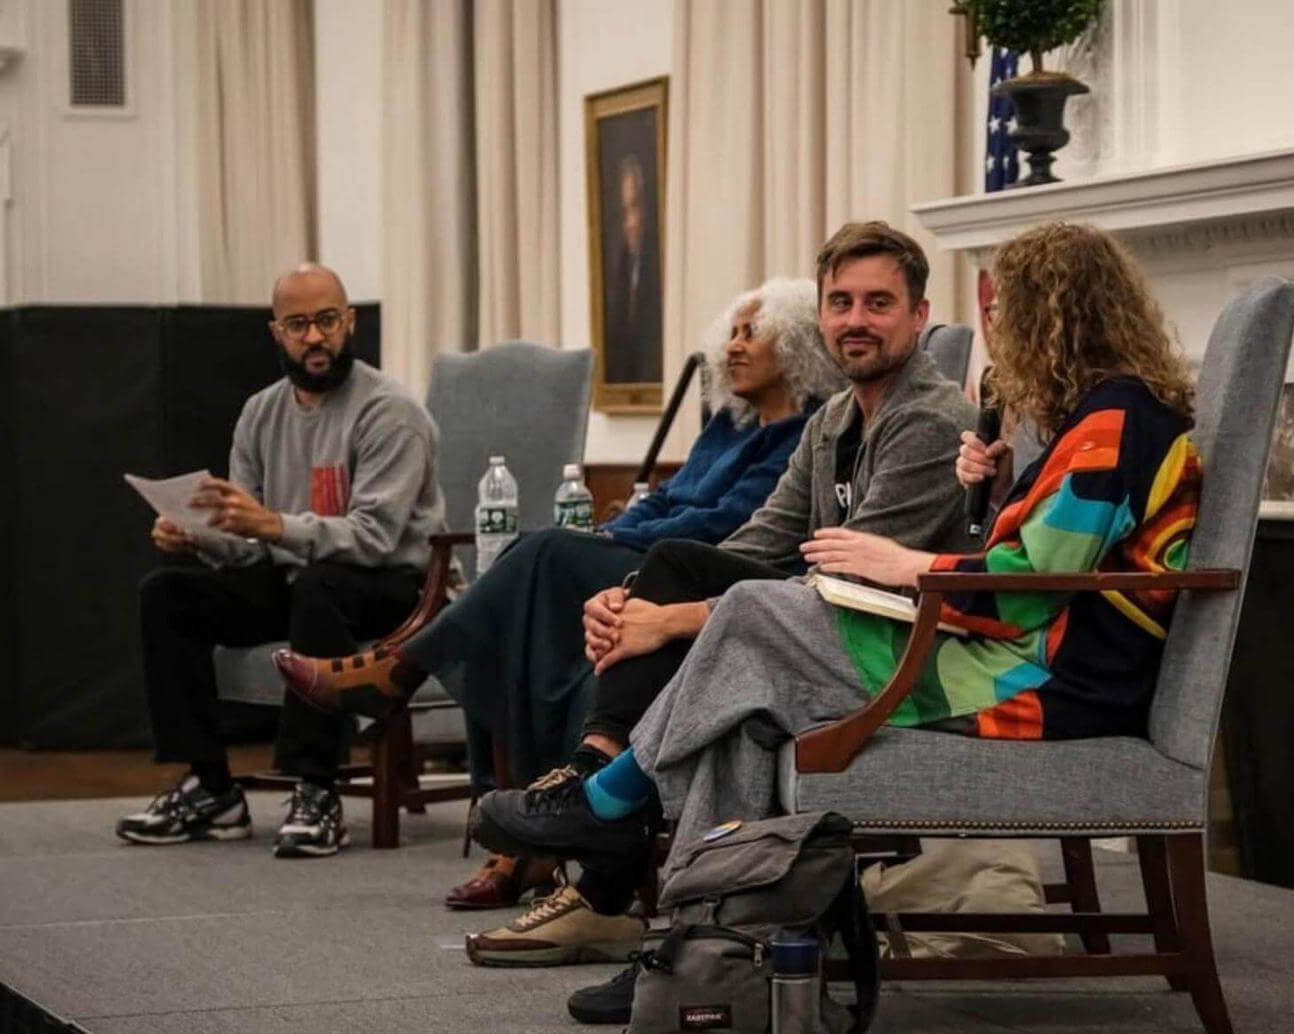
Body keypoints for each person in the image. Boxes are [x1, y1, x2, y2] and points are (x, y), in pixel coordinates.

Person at [472, 221, 1204, 1024]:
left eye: (1004, 312)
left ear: (1052, 317)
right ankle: (699, 949)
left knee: (750, 619)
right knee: (744, 707)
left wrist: (907, 565)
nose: (996, 332)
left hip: (1040, 681)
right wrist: (996, 494)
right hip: (1016, 657)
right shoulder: (1098, 420)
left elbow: (1029, 591)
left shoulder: (1111, 424)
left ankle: (612, 800)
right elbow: (1036, 562)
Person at [457, 220, 978, 975]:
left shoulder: (929, 420)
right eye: (840, 302)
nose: (856, 320)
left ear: (919, 315)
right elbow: (756, 542)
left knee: (725, 664)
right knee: (675, 564)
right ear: (822, 314)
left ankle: (617, 863)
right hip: (827, 636)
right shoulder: (833, 419)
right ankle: (629, 851)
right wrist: (632, 602)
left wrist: (671, 620)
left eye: (879, 303)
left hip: (890, 655)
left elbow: (855, 583)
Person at [272, 276, 842, 907]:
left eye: (752, 333)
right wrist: (613, 532)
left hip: (700, 573)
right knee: (537, 631)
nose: (733, 347)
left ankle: (402, 671)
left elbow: (721, 525)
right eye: (731, 333)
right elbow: (670, 501)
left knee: (541, 552)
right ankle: (523, 837)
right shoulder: (728, 426)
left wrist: (612, 536)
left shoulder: (802, 433)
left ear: (796, 344)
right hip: (646, 554)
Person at [116, 263, 446, 859]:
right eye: (298, 325)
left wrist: (270, 525)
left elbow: (375, 538)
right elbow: (248, 544)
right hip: (304, 579)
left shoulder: (390, 411)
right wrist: (199, 536)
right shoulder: (260, 413)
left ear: (349, 323)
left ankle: (315, 788)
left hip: (399, 586)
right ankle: (211, 787)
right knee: (167, 595)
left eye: (327, 320)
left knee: (321, 585)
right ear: (277, 333)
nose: (314, 337)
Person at [604, 154, 663, 384]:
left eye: (635, 207)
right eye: (624, 211)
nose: (630, 223)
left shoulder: (659, 268)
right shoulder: (618, 273)